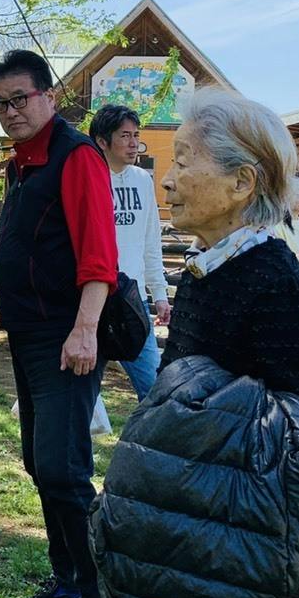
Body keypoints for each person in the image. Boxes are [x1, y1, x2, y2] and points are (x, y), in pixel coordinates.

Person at [108, 89, 299, 598]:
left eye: (184, 162)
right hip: (195, 545)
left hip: (253, 567)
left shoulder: (274, 283)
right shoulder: (207, 268)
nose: (166, 179)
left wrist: (217, 458)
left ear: (242, 183)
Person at [0, 49, 118, 598]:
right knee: (40, 463)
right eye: (1, 104)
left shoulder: (77, 156)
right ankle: (66, 584)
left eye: (20, 98)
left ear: (50, 96)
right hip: (29, 336)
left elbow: (99, 256)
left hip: (67, 338)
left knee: (65, 472)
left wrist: (85, 330)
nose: (11, 111)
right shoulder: (22, 162)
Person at [88, 104, 170, 400]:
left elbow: (151, 241)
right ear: (102, 141)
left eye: (136, 135)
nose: (134, 143)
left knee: (154, 389)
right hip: (91, 301)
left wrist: (159, 294)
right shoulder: (88, 179)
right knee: (82, 391)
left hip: (132, 299)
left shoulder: (142, 180)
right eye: (125, 136)